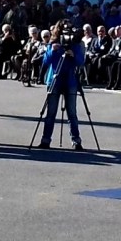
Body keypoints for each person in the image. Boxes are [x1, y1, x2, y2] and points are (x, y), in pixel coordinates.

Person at [37, 21, 85, 150]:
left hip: (70, 80)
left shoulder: (75, 44)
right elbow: (45, 61)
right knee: (51, 112)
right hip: (54, 80)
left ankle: (76, 141)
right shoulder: (53, 43)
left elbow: (81, 62)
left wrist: (73, 55)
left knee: (72, 113)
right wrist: (53, 50)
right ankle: (45, 140)